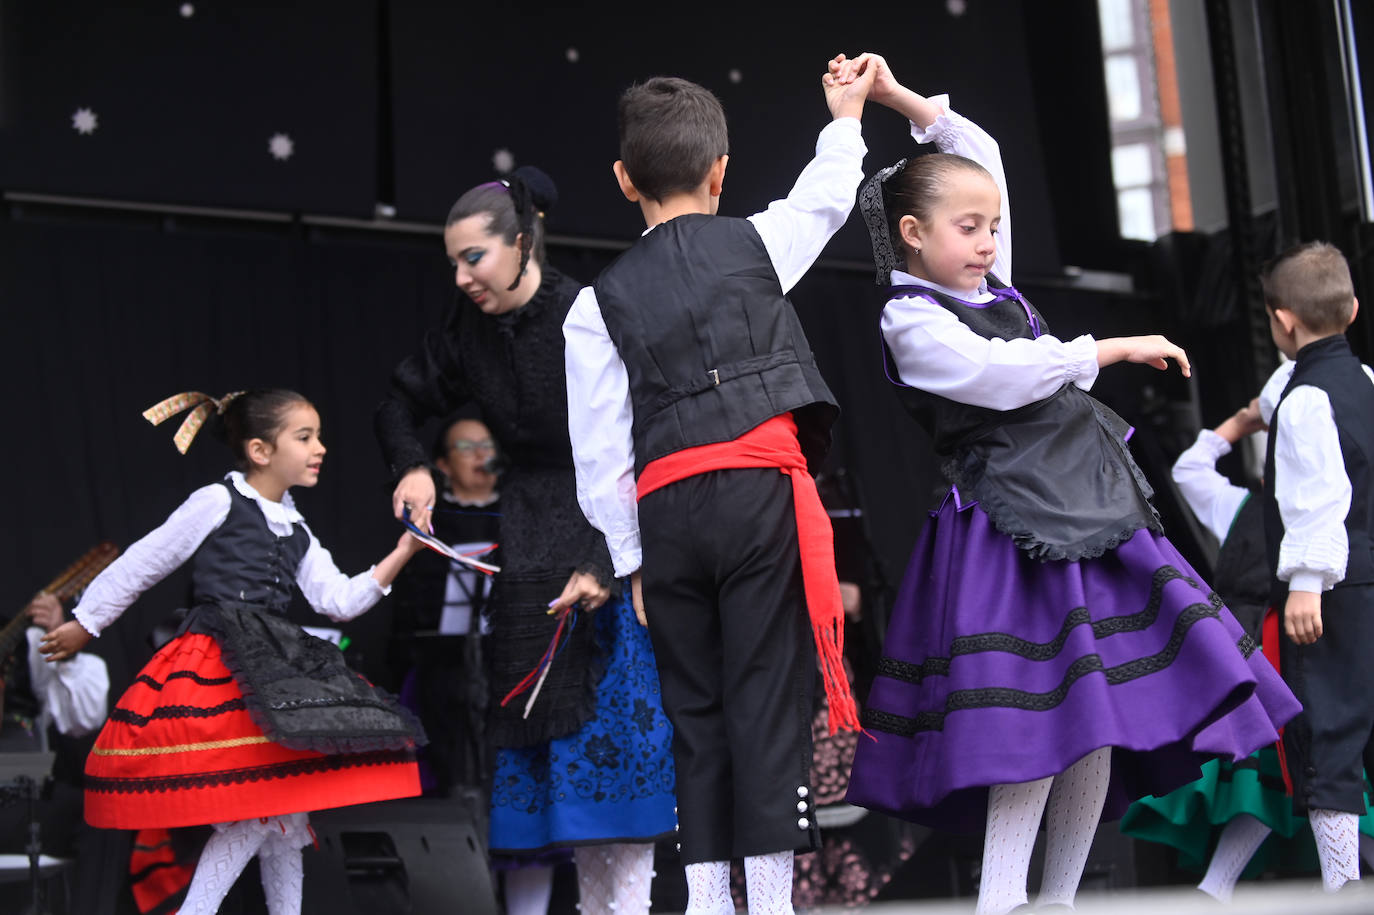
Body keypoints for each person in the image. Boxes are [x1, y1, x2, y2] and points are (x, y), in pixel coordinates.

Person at [838, 55, 1300, 915]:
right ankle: (1003, 898)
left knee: (1096, 712)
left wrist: (900, 100)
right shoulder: (911, 319)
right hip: (1008, 532)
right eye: (968, 228)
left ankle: (1055, 900)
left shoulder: (988, 284)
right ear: (911, 235)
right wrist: (1110, 348)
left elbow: (980, 152)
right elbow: (1003, 375)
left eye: (992, 227)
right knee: (1037, 721)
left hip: (1085, 510)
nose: (986, 243)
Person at [563, 58, 875, 915]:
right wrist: (844, 115)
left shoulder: (595, 305)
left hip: (666, 510)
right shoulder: (756, 242)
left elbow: (599, 453)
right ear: (721, 171)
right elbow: (826, 194)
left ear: (624, 180)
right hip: (755, 493)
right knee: (765, 700)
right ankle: (766, 903)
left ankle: (706, 902)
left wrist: (630, 558)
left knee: (692, 711)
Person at [374, 168, 675, 915]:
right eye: (452, 260)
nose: (460, 275)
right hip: (529, 550)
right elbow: (399, 400)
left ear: (521, 241)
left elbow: (648, 436)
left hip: (607, 531)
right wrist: (413, 464)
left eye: (473, 257)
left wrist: (608, 559)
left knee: (616, 778)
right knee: (554, 792)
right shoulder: (466, 329)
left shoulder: (587, 313)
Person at [40, 388, 428, 915]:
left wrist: (403, 551)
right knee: (261, 806)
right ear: (260, 450)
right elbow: (146, 561)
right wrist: (87, 622)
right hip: (221, 665)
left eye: (319, 436)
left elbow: (337, 600)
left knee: (284, 809)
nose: (320, 448)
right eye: (305, 437)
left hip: (275, 664)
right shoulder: (219, 501)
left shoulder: (296, 526)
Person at [1122, 391, 1374, 901]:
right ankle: (1226, 888)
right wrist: (1246, 422)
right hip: (1259, 659)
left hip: (1282, 655)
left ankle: (1223, 889)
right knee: (1268, 778)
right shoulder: (1293, 511)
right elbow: (1189, 470)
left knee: (1285, 777)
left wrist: (1240, 424)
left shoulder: (1308, 511)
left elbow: (1192, 469)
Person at [1259, 240, 1374, 894]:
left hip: (1334, 586)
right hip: (1367, 574)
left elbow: (1318, 492)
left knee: (1329, 730)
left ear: (1283, 321)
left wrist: (1305, 581)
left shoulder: (1304, 398)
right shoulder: (1363, 381)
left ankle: (1341, 888)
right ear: (1354, 309)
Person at [387, 414, 500, 795]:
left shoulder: (519, 514)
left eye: (487, 446)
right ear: (443, 464)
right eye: (467, 447)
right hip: (444, 663)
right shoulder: (430, 521)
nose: (480, 455)